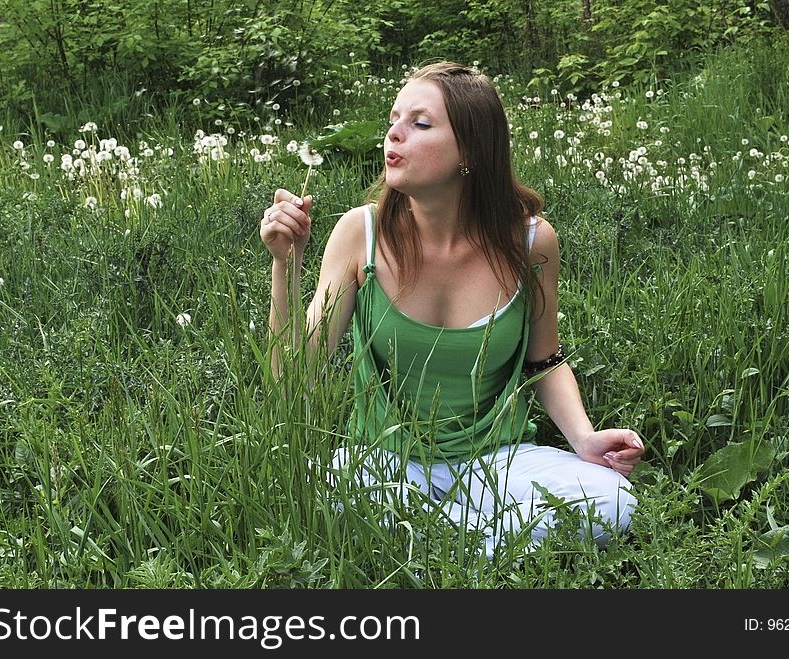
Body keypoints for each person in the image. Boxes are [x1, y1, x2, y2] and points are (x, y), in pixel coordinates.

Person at [260, 61, 644, 559]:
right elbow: (294, 381)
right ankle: (476, 546)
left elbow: (543, 361)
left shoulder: (530, 242)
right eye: (394, 119)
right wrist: (285, 267)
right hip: (382, 463)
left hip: (497, 460)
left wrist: (584, 438)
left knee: (614, 502)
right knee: (332, 496)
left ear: (470, 151)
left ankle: (431, 545)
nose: (393, 134)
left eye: (419, 124)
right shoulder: (361, 233)